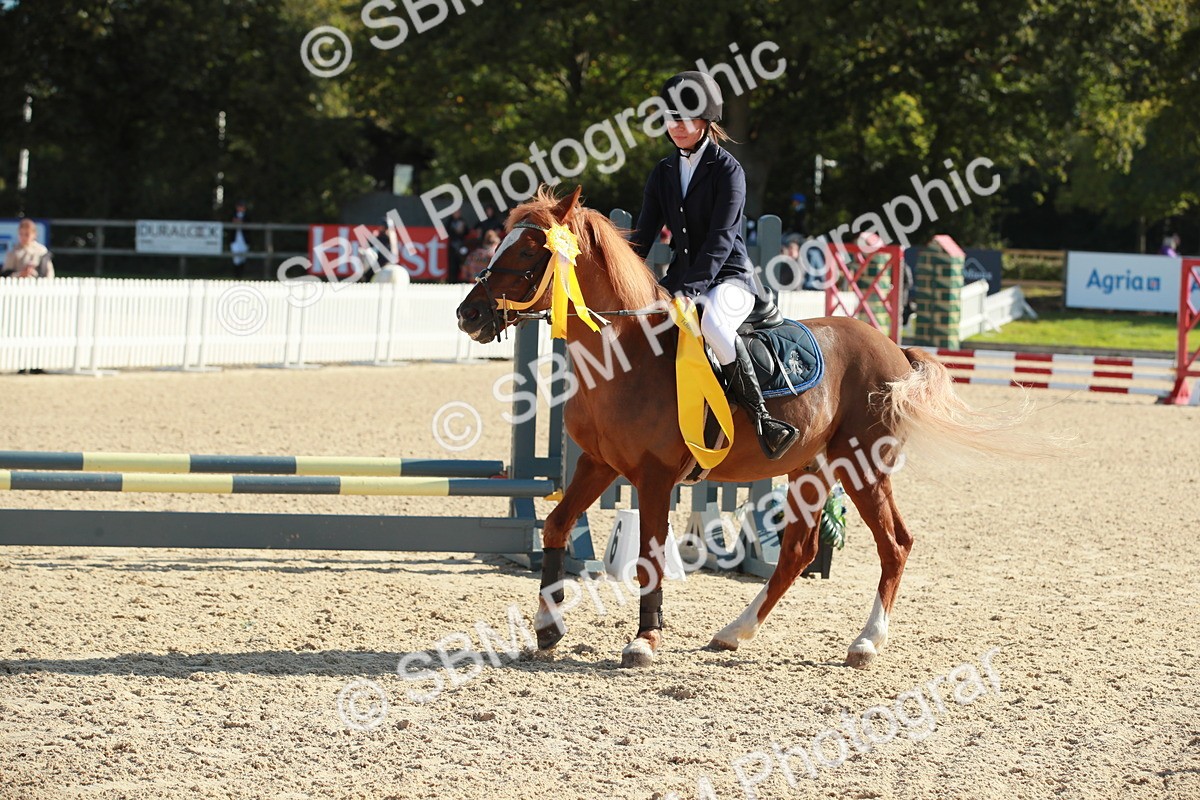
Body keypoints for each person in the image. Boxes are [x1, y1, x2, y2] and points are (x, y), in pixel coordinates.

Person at [631, 71, 798, 460]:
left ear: (707, 121)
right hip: (682, 280)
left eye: (686, 119)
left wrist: (688, 291)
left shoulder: (728, 170)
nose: (677, 127)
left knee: (712, 323)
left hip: (730, 281)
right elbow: (642, 237)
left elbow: (721, 240)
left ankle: (762, 419)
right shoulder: (663, 172)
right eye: (671, 118)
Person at [230, 201, 250, 279]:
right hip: (235, 240)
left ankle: (241, 275)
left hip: (244, 240)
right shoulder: (233, 215)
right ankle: (236, 276)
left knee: (243, 257)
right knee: (236, 257)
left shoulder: (247, 216)